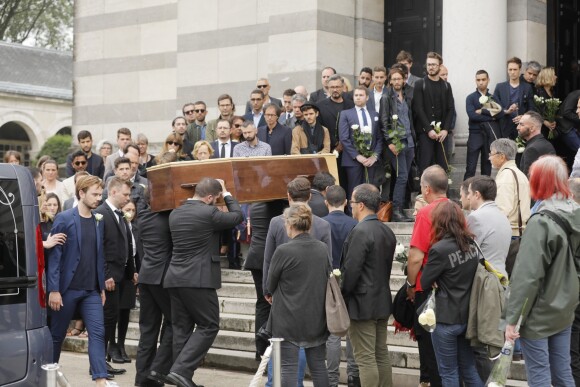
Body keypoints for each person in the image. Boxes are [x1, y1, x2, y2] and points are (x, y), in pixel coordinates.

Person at [505, 155, 580, 386]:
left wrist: (513, 317)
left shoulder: (542, 220)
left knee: (539, 375)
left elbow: (527, 276)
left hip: (539, 310)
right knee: (562, 371)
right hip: (566, 304)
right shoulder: (575, 210)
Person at [164, 178, 243, 387]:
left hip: (175, 277)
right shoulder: (209, 213)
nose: (216, 201)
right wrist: (226, 193)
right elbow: (237, 216)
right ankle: (180, 370)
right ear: (209, 197)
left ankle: (182, 377)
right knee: (209, 325)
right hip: (198, 279)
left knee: (182, 328)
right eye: (215, 198)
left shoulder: (175, 213)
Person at [46, 175, 109, 386]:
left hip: (91, 291)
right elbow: (55, 258)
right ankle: (49, 375)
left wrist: (101, 288)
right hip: (66, 290)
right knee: (56, 336)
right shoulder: (64, 218)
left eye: (101, 194)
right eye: (95, 194)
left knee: (98, 333)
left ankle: (100, 379)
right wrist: (54, 290)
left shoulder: (99, 220)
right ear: (81, 193)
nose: (99, 198)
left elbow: (99, 255)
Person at [267, 202, 331, 387]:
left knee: (288, 367)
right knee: (319, 366)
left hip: (288, 317)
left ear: (289, 224)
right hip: (316, 316)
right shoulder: (321, 248)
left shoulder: (283, 251)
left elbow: (270, 285)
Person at [420, 201, 483, 387]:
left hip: (445, 318)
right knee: (469, 369)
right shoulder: (471, 244)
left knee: (448, 372)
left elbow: (423, 283)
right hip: (466, 316)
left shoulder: (439, 249)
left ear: (439, 222)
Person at [341, 184, 396, 387]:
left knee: (364, 357)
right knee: (380, 353)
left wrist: (342, 293)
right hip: (381, 300)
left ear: (361, 205)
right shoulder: (385, 230)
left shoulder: (361, 231)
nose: (351, 207)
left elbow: (351, 272)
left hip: (362, 304)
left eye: (353, 203)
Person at [407, 165, 449, 387]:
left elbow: (415, 257)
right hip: (452, 286)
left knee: (428, 344)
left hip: (427, 286)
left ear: (426, 189)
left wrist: (410, 284)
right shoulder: (456, 210)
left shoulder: (426, 213)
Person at [322, 185, 360, 386]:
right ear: (346, 202)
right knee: (351, 331)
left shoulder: (320, 224)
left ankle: (331, 378)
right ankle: (353, 374)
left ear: (326, 202)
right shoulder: (354, 224)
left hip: (328, 282)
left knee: (333, 333)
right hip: (349, 281)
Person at [95, 177, 133, 371]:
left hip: (121, 275)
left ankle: (103, 361)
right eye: (125, 194)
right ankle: (99, 363)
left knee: (112, 318)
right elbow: (98, 247)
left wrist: (131, 271)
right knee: (107, 319)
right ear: (113, 192)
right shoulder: (101, 213)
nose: (128, 198)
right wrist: (106, 274)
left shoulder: (120, 214)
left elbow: (125, 244)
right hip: (109, 277)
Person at [381, 66, 415, 221]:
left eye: (399, 78)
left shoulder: (407, 95)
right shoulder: (386, 97)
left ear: (404, 79)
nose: (396, 81)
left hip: (409, 141)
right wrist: (390, 142)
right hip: (397, 142)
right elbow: (384, 121)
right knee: (401, 176)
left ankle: (399, 208)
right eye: (393, 79)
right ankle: (396, 211)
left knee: (405, 176)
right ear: (390, 81)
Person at [412, 52, 455, 174]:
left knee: (443, 166)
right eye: (429, 64)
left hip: (442, 133)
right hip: (425, 133)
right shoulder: (420, 84)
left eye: (434, 65)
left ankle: (443, 193)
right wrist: (429, 129)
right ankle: (423, 192)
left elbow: (450, 109)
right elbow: (418, 108)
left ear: (440, 66)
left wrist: (445, 130)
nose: (431, 67)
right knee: (425, 166)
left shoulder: (446, 85)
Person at [338, 86, 383, 199]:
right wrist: (358, 156)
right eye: (356, 95)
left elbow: (379, 138)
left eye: (361, 95)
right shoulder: (345, 114)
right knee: (354, 190)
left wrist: (374, 156)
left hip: (371, 161)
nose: (358, 98)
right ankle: (352, 214)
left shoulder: (374, 115)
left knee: (370, 190)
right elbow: (344, 138)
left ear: (367, 97)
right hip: (353, 160)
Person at [116, 200, 139, 364]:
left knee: (125, 313)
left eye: (132, 210)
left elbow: (137, 252)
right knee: (114, 313)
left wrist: (137, 271)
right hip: (118, 273)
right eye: (127, 209)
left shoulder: (136, 228)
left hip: (131, 273)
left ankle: (121, 345)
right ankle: (112, 346)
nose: (130, 212)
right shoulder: (118, 226)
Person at [493, 57, 536, 139]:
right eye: (510, 69)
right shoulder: (500, 87)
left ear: (520, 70)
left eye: (515, 69)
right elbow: (494, 109)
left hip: (522, 128)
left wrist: (523, 117)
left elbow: (532, 109)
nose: (512, 72)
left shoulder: (527, 87)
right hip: (503, 127)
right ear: (507, 70)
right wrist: (506, 111)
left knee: (520, 151)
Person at [464, 70, 495, 179]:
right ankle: (466, 193)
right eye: (478, 80)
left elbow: (496, 115)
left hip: (488, 135)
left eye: (483, 79)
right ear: (475, 81)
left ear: (488, 80)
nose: (481, 82)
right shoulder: (470, 97)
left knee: (487, 167)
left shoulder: (492, 97)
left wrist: (482, 112)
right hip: (475, 134)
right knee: (470, 167)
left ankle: (485, 194)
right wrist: (489, 117)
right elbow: (472, 115)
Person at [518, 111, 556, 176]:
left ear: (532, 128)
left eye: (521, 124)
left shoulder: (532, 149)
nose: (517, 127)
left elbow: (528, 180)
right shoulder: (547, 144)